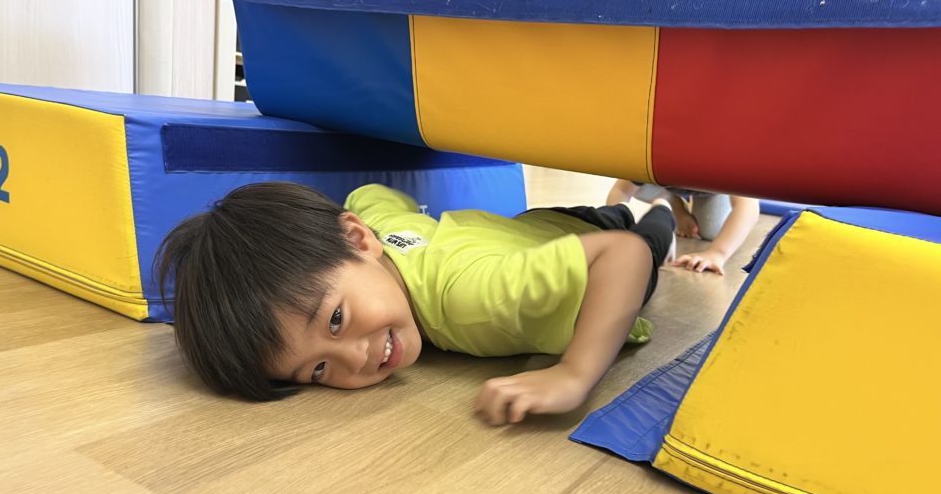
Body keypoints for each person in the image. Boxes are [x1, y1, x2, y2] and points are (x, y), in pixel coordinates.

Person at [155, 181, 675, 426]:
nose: (354, 357)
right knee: (609, 215)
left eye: (336, 320)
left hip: (589, 250)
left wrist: (574, 374)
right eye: (317, 370)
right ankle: (628, 203)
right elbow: (371, 195)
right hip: (530, 230)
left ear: (358, 239)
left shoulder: (474, 296)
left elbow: (622, 256)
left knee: (644, 233)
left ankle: (663, 208)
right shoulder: (377, 232)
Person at [606, 180, 761, 276]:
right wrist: (618, 235)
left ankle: (674, 201)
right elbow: (621, 191)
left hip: (713, 190)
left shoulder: (726, 156)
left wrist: (717, 253)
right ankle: (673, 202)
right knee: (635, 178)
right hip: (666, 183)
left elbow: (749, 206)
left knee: (711, 231)